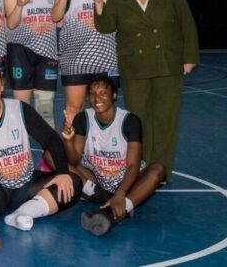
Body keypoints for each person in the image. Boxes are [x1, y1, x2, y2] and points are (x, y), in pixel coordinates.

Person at [93, 0, 198, 180]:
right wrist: (99, 3)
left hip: (167, 63)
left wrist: (189, 56)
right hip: (134, 67)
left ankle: (159, 171)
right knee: (139, 120)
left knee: (165, 120)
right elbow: (105, 26)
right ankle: (142, 167)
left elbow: (187, 22)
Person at [0, 63, 82, 233]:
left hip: (24, 182)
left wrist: (63, 172)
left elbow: (51, 138)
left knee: (72, 183)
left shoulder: (20, 109)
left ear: (2, 86)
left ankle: (22, 214)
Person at [61, 75, 166, 236]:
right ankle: (115, 203)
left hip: (126, 181)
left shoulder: (130, 121)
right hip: (95, 180)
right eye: (92, 94)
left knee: (158, 170)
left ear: (114, 95)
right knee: (52, 156)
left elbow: (133, 165)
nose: (97, 98)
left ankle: (112, 213)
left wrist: (121, 192)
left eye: (103, 93)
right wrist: (68, 141)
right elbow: (73, 160)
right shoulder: (82, 118)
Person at [52, 0, 118, 123]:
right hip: (76, 57)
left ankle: (102, 143)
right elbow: (55, 17)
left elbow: (116, 18)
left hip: (106, 57)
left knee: (104, 108)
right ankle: (71, 143)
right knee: (75, 107)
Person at [4, 0, 58, 127]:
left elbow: (59, 21)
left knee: (45, 110)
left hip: (47, 55)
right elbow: (11, 24)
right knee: (22, 110)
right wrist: (19, 5)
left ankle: (47, 146)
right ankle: (22, 145)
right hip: (20, 53)